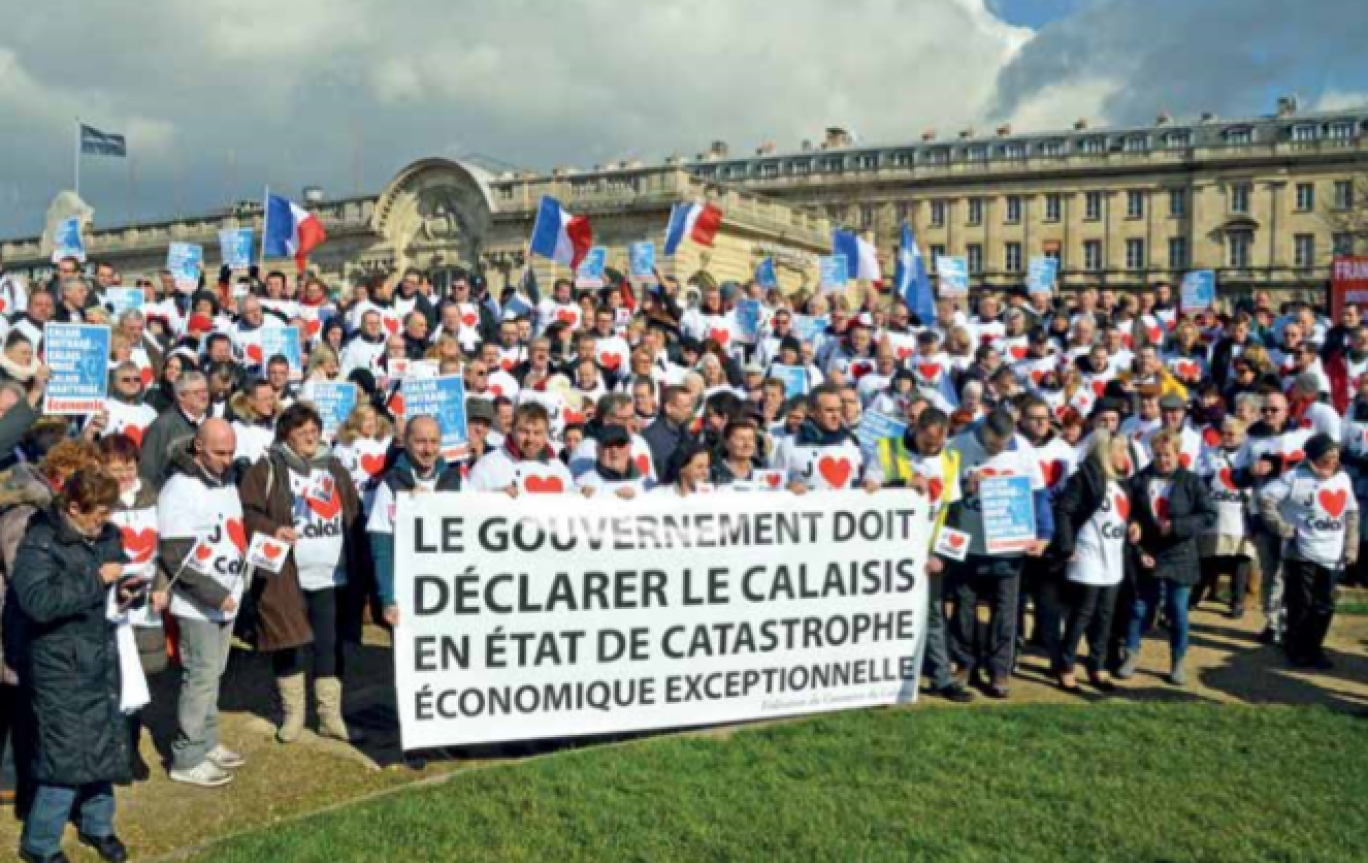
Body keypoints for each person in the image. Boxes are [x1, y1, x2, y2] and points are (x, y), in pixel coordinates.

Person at [9, 467, 132, 863]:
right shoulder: (40, 543)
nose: (104, 523)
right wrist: (97, 580)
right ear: (74, 508)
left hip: (103, 654)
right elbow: (38, 603)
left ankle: (99, 825)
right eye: (97, 515)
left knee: (105, 742)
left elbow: (117, 573)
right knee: (64, 754)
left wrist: (131, 591)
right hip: (59, 663)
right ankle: (41, 842)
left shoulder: (107, 535)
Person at [240, 403, 366, 744]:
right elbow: (246, 512)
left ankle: (329, 716)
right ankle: (293, 714)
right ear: (286, 436)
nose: (310, 439)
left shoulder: (335, 468)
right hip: (287, 575)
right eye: (302, 433)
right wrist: (272, 528)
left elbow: (353, 512)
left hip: (332, 577)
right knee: (289, 643)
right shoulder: (268, 469)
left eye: (314, 431)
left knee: (329, 646)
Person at [156, 419, 248, 788]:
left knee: (214, 675)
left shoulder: (224, 481)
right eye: (219, 453)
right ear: (198, 446)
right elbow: (176, 558)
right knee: (200, 677)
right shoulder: (179, 489)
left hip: (227, 596)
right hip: (199, 603)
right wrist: (215, 594)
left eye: (230, 453)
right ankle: (187, 755)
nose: (226, 460)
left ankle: (207, 741)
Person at [943, 409, 1053, 699]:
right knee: (964, 606)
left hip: (1009, 545)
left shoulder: (1025, 451)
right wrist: (966, 487)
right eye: (993, 444)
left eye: (1003, 444)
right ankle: (964, 664)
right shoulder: (958, 446)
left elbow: (1039, 493)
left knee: (1006, 609)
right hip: (968, 543)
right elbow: (942, 491)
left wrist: (1044, 534)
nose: (998, 449)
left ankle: (999, 669)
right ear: (983, 430)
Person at [1119, 429, 1216, 686]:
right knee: (1140, 607)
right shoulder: (1140, 480)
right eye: (1158, 455)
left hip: (1181, 553)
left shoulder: (1191, 482)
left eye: (1168, 455)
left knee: (1177, 609)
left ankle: (1178, 661)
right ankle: (1130, 654)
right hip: (1148, 552)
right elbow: (1124, 509)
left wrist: (1176, 526)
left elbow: (1208, 515)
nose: (1163, 460)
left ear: (1178, 454)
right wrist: (1133, 524)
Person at [1259, 433, 1358, 669]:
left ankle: (1314, 648)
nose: (1331, 463)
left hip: (1332, 554)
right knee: (1300, 603)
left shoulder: (1343, 479)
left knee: (1324, 606)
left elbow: (1352, 513)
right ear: (1313, 459)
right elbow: (1266, 498)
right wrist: (1282, 527)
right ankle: (1295, 648)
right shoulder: (1294, 477)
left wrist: (1351, 546)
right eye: (1326, 458)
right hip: (1301, 552)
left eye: (1334, 458)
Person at [1050, 430, 1132, 694]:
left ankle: (1097, 664)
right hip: (1089, 553)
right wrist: (1066, 545)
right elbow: (1064, 510)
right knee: (1083, 613)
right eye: (1119, 450)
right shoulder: (1085, 477)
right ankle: (1066, 666)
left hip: (1114, 556)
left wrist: (1136, 526)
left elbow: (1130, 512)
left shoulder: (1123, 482)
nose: (1124, 456)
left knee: (1106, 614)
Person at [367, 416, 464, 628]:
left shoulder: (456, 482)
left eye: (434, 441)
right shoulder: (391, 484)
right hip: (407, 592)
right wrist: (388, 599)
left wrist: (502, 498)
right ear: (406, 442)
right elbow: (381, 547)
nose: (428, 450)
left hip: (449, 591)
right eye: (420, 442)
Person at [139, 370, 210, 489]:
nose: (204, 396)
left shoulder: (212, 423)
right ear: (181, 396)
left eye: (205, 390)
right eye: (197, 392)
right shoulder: (162, 426)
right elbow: (147, 472)